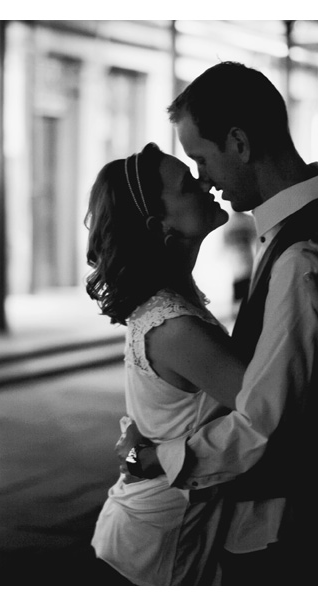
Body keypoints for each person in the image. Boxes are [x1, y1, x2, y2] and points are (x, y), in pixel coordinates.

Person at [119, 61, 318, 585]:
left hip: (286, 525)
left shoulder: (301, 256)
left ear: (238, 142)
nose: (204, 180)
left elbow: (264, 423)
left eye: (201, 159)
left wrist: (162, 456)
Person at [85, 142, 246, 585]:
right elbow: (271, 413)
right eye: (187, 185)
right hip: (157, 545)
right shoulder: (175, 326)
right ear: (161, 226)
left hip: (147, 527)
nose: (206, 183)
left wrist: (146, 451)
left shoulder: (169, 303)